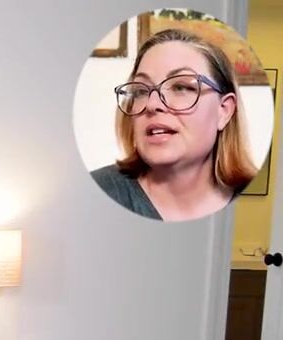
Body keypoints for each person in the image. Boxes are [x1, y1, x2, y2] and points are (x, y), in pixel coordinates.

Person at [91, 28, 257, 221]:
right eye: (141, 91)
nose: (152, 104)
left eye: (180, 87)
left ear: (224, 110)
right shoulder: (96, 192)